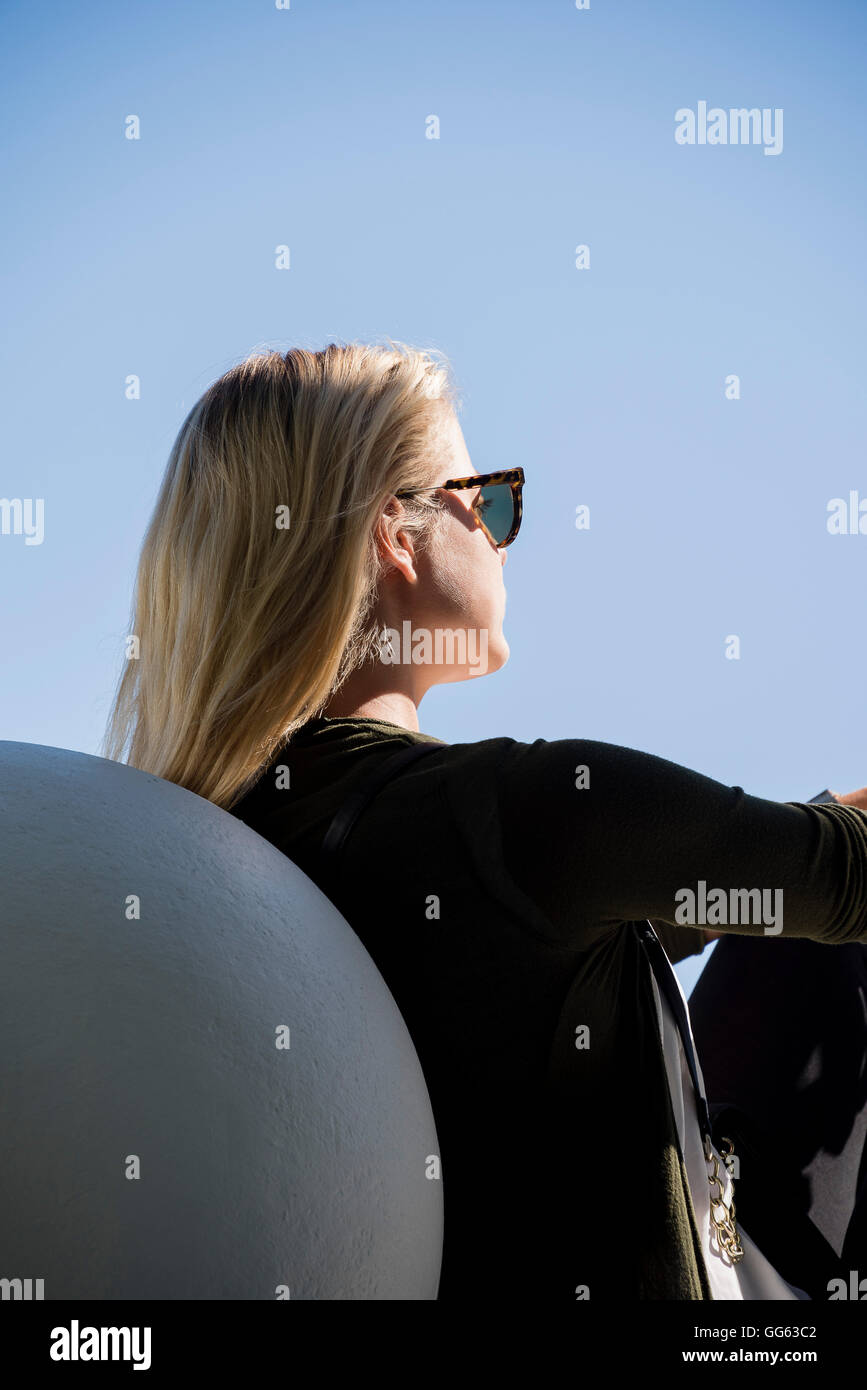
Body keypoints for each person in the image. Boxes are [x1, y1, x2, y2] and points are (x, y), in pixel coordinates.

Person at [103, 341, 867, 1300]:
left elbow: (501, 952)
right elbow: (841, 873)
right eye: (490, 502)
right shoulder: (531, 811)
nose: (503, 537)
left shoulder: (195, 862)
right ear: (396, 533)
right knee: (832, 939)